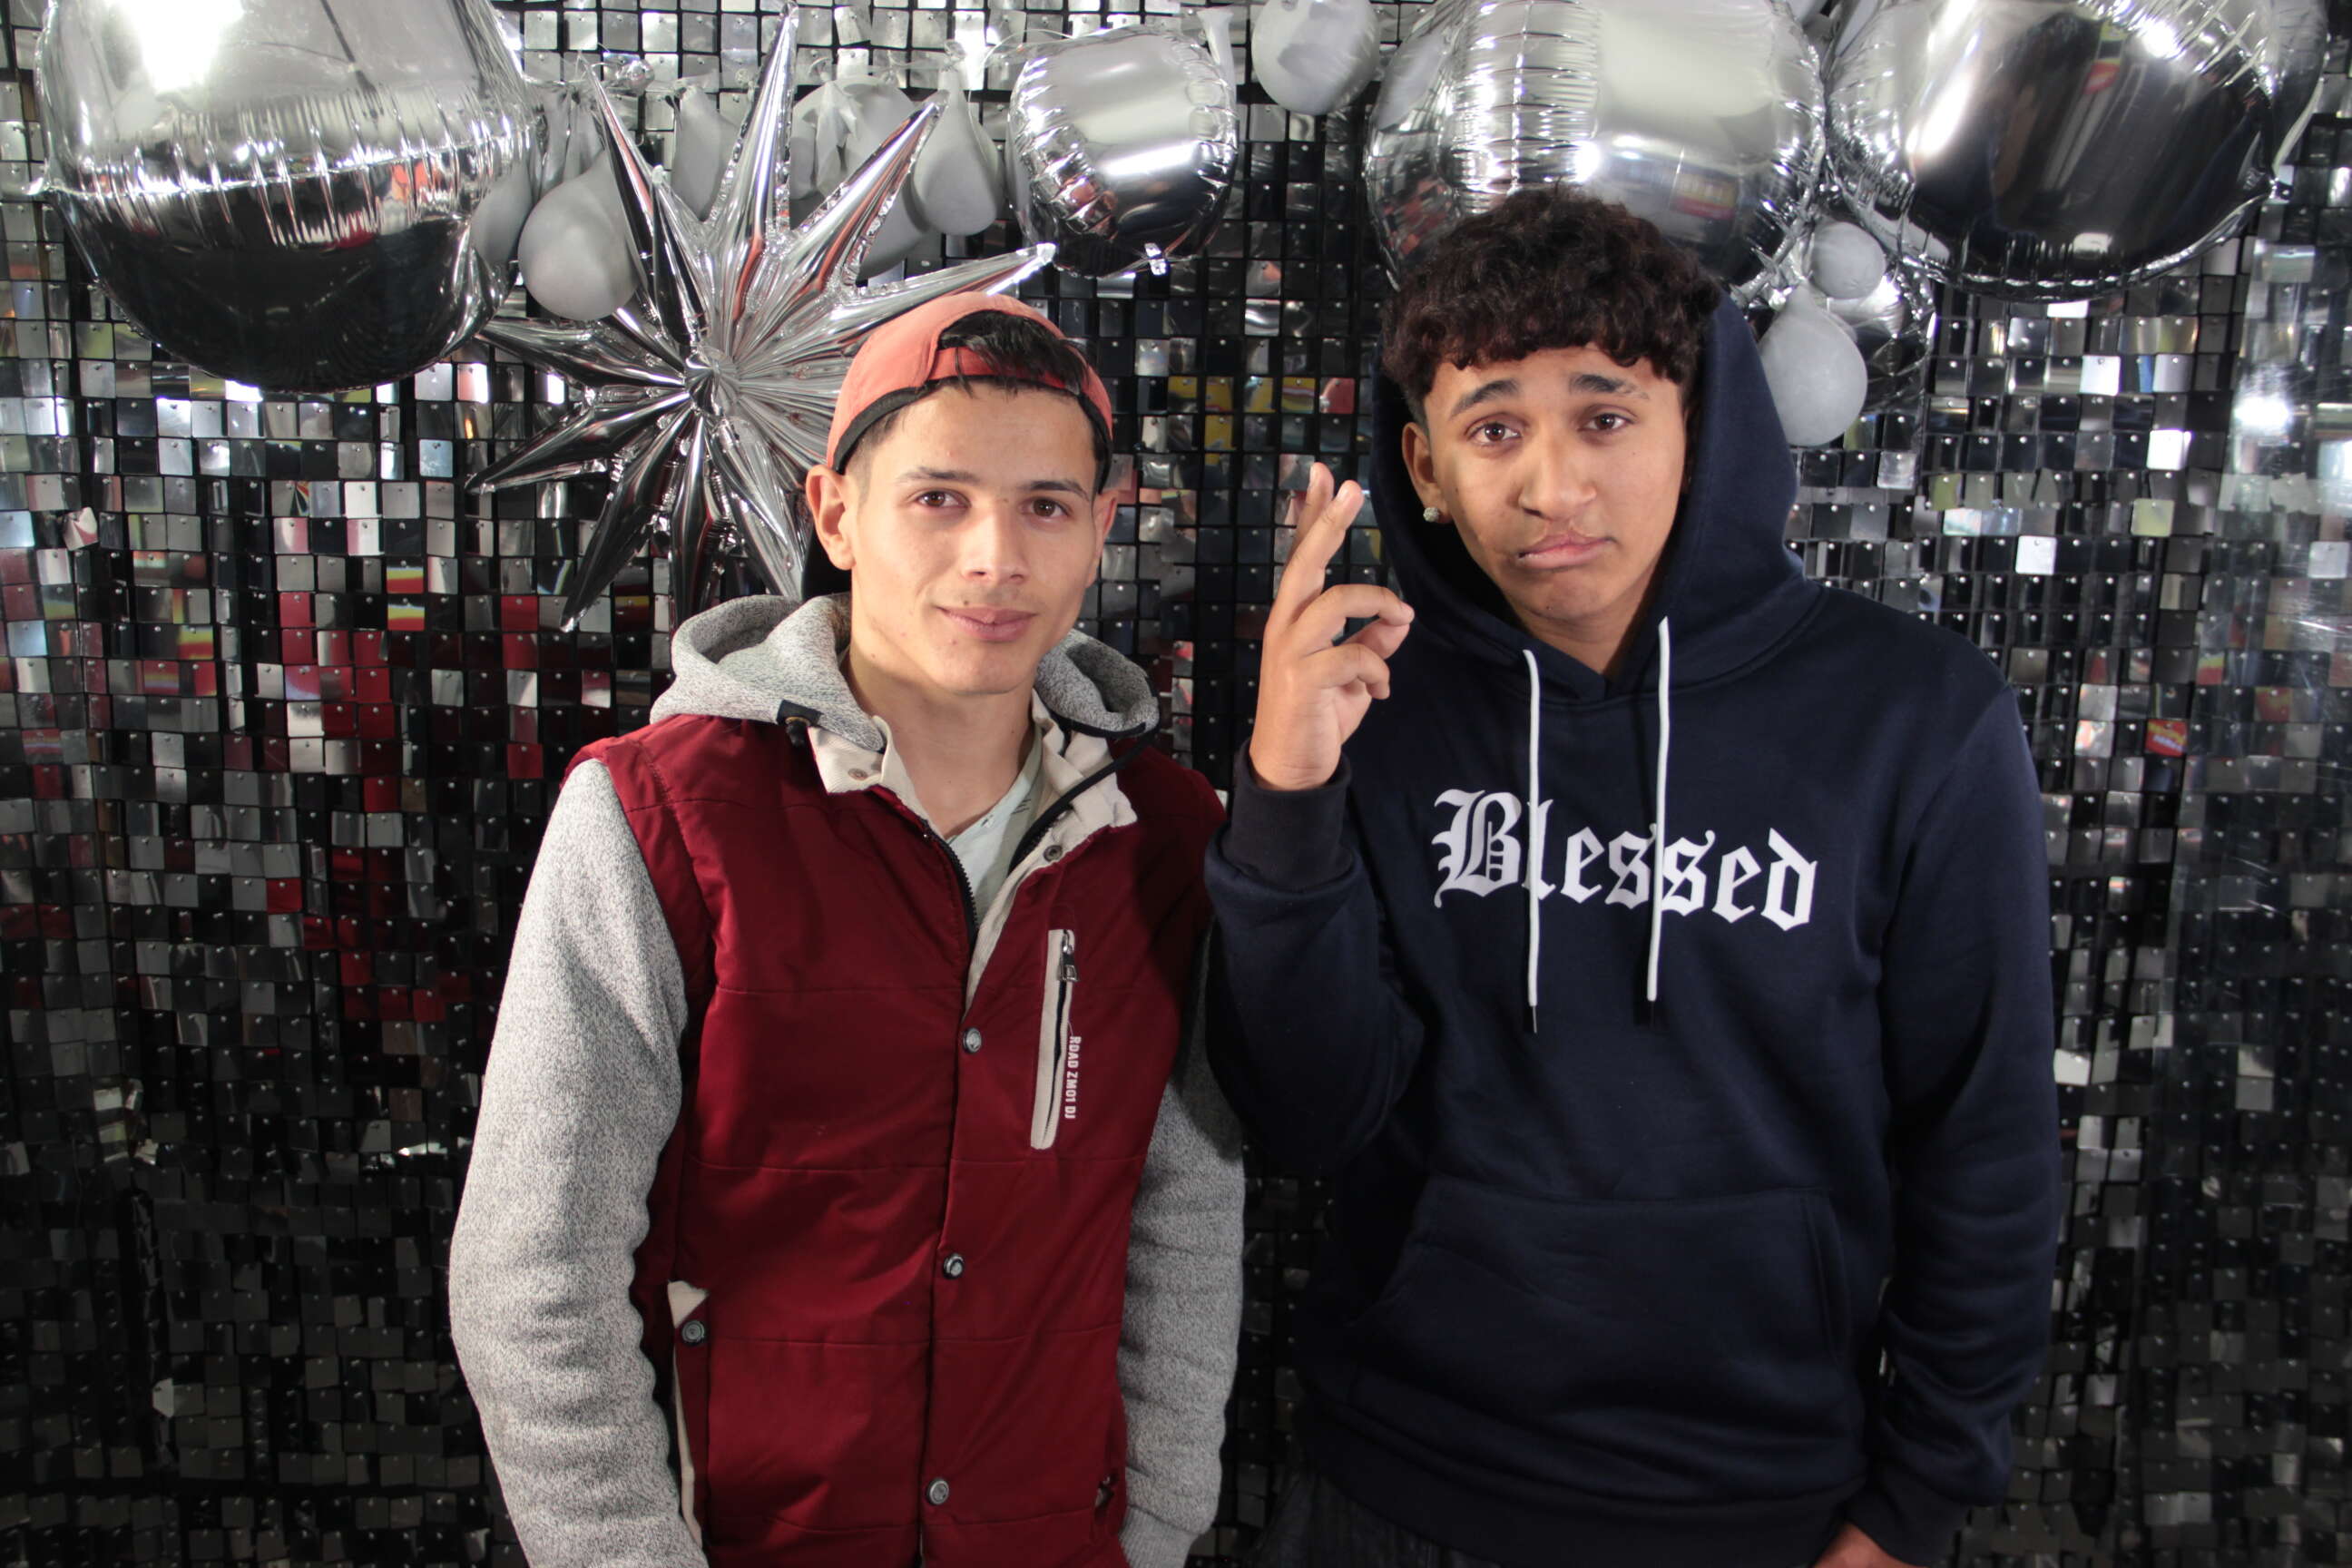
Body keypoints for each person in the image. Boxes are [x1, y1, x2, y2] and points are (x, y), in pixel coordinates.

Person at [1206, 186, 2060, 1568]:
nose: (1553, 487)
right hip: (1397, 1485)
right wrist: (1286, 790)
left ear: (1696, 425)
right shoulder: (1373, 707)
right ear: (1425, 466)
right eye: (1495, 429)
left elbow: (1987, 1138)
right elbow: (1306, 1118)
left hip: (1759, 1504)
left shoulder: (1914, 716)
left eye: (1604, 417)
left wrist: (1914, 1505)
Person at [451, 294, 1245, 1568]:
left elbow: (1186, 1221)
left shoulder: (1164, 835)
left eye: (1045, 506)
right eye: (938, 499)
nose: (995, 558)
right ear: (835, 515)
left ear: (1102, 527)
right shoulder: (656, 815)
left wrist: (1150, 1533)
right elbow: (534, 1269)